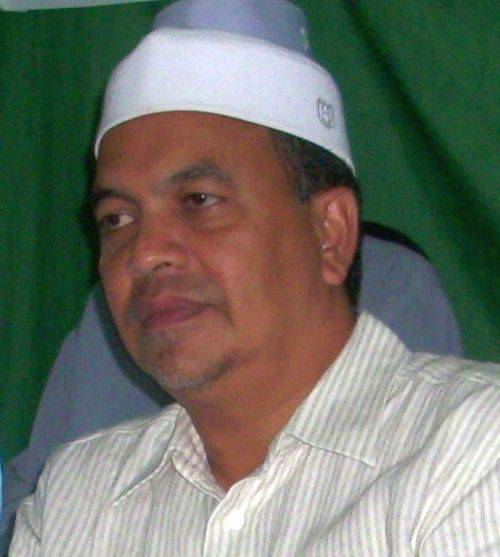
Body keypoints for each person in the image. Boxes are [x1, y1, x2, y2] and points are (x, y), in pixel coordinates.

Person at [9, 0, 499, 555]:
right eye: (117, 219)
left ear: (330, 232)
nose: (144, 253)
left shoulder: (474, 449)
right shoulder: (76, 496)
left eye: (199, 200)